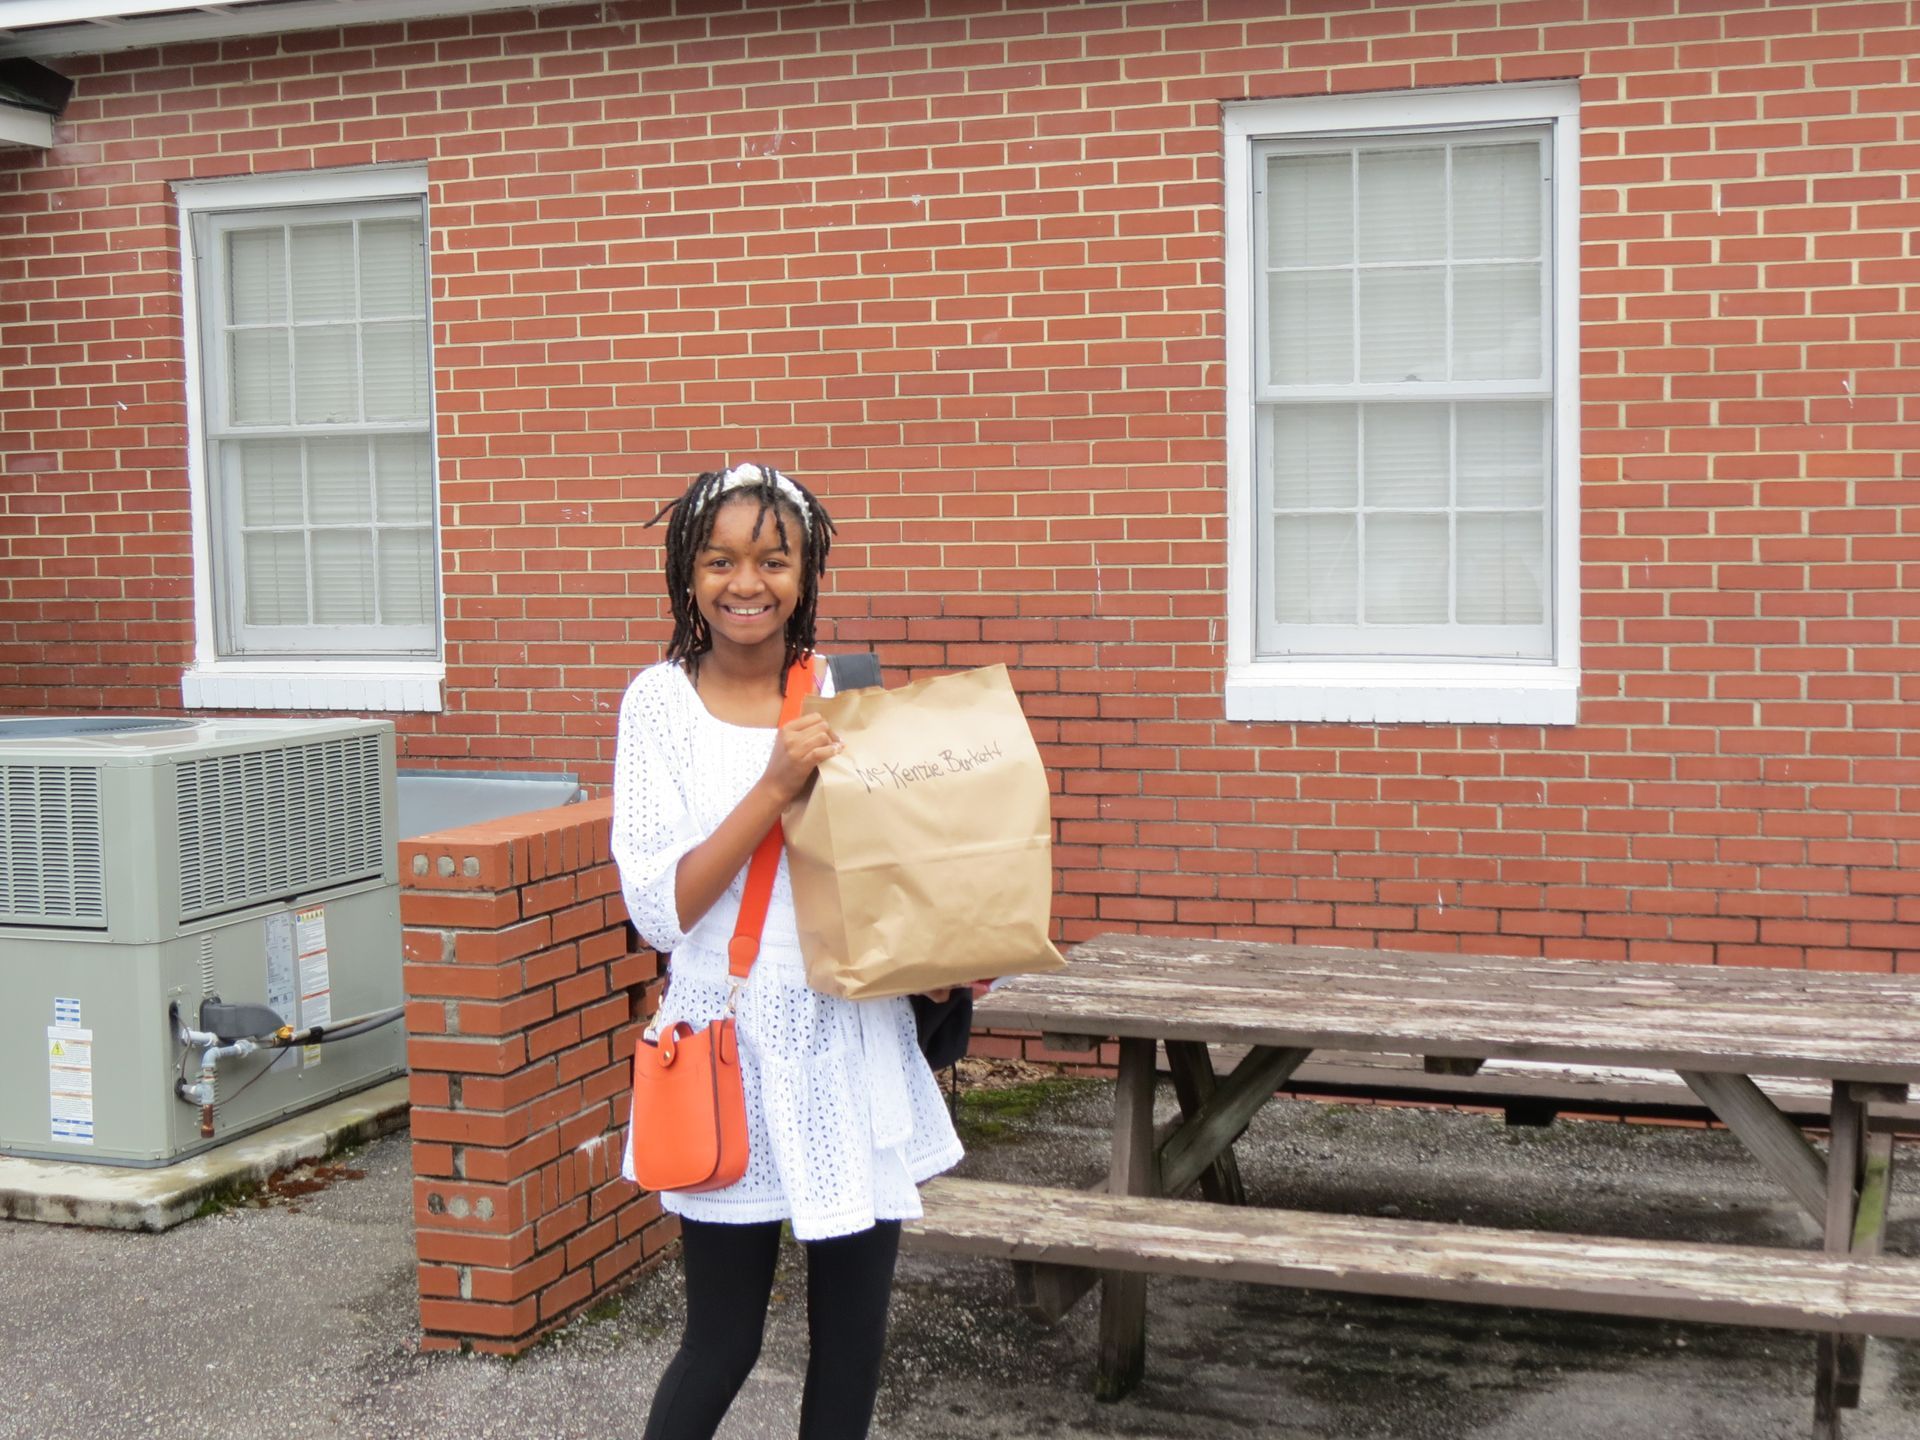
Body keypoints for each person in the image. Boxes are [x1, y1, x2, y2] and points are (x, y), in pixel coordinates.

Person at [612, 462, 964, 1440]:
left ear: (806, 574)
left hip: (849, 1038)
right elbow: (660, 911)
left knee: (851, 1350)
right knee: (722, 1344)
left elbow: (889, 867)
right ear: (688, 573)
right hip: (729, 1043)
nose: (746, 583)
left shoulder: (844, 693)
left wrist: (940, 956)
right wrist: (773, 785)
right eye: (720, 559)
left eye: (774, 560)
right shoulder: (658, 704)